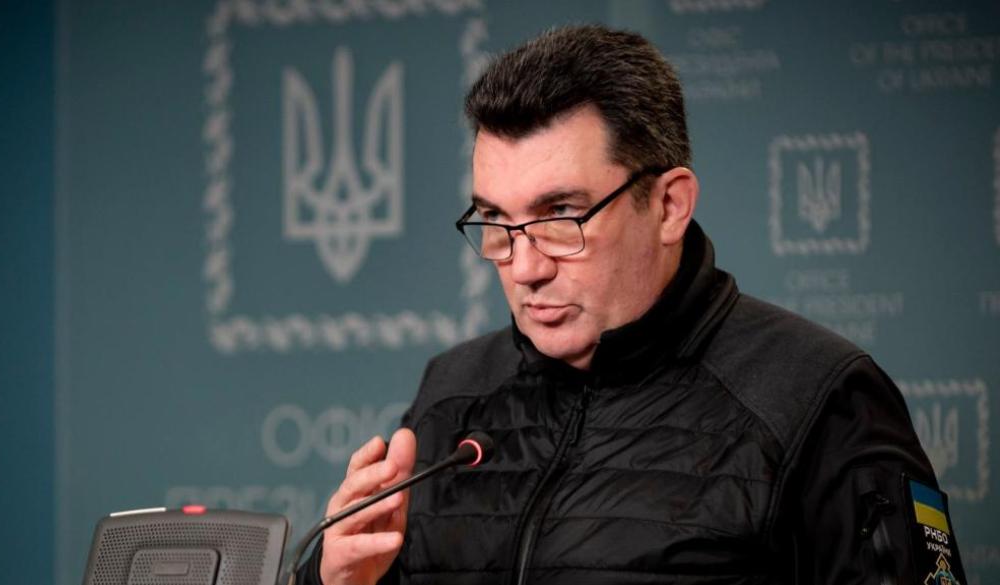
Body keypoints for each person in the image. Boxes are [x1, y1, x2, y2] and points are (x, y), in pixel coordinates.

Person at [299, 25, 963, 585]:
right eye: (496, 221)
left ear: (669, 204)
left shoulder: (820, 399)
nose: (524, 268)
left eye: (561, 216)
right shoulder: (451, 393)